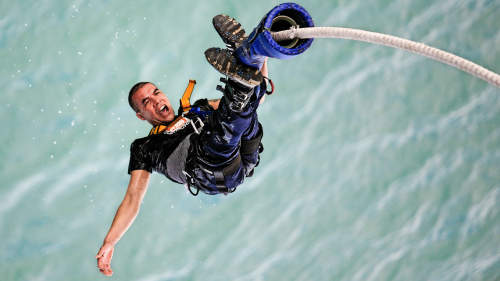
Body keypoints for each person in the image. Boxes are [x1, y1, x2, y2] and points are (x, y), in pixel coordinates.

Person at [96, 4, 314, 275]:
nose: (156, 101)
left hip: (244, 149)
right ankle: (242, 77)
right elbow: (132, 200)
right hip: (213, 170)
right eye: (146, 102)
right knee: (223, 128)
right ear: (141, 116)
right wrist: (110, 241)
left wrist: (265, 53)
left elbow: (261, 99)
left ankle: (252, 54)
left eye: (156, 92)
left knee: (243, 109)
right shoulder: (143, 148)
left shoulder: (197, 107)